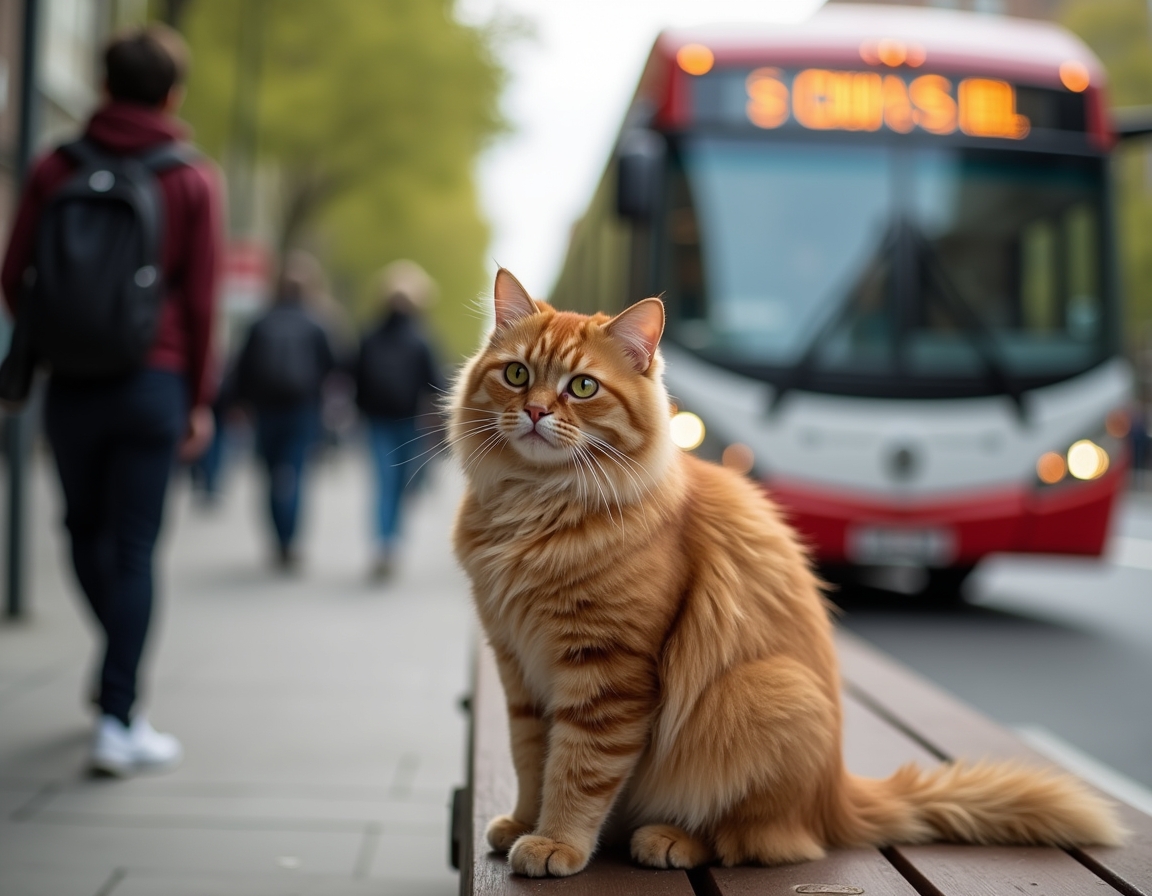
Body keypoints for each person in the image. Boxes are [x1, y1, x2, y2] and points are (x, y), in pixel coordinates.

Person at [0, 26, 222, 775]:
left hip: (72, 384)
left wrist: (63, 333)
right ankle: (119, 718)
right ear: (172, 93)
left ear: (101, 85)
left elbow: (13, 271)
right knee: (133, 549)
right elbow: (199, 304)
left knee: (79, 532)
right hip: (153, 383)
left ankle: (114, 684)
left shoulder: (56, 165)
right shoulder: (192, 178)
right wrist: (196, 400)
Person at [236, 250, 336, 570]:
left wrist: (241, 404)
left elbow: (243, 368)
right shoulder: (316, 323)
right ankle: (291, 541)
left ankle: (276, 540)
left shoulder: (260, 322)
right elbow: (334, 365)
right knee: (294, 473)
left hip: (266, 411)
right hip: (302, 410)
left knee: (269, 475)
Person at [354, 261, 443, 580]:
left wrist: (360, 410)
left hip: (377, 420)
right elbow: (435, 382)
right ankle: (393, 542)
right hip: (410, 421)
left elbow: (356, 377)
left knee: (383, 482)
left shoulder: (370, 335)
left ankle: (383, 542)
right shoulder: (421, 338)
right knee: (402, 484)